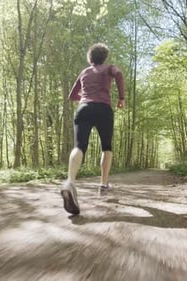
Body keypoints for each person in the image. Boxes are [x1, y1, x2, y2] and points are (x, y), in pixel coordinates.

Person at [60, 43, 125, 215]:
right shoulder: (110, 68)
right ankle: (103, 184)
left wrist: (85, 96)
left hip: (84, 109)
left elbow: (72, 96)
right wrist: (121, 98)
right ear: (104, 57)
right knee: (106, 146)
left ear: (90, 58)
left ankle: (70, 182)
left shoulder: (84, 72)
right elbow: (118, 74)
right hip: (103, 109)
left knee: (79, 146)